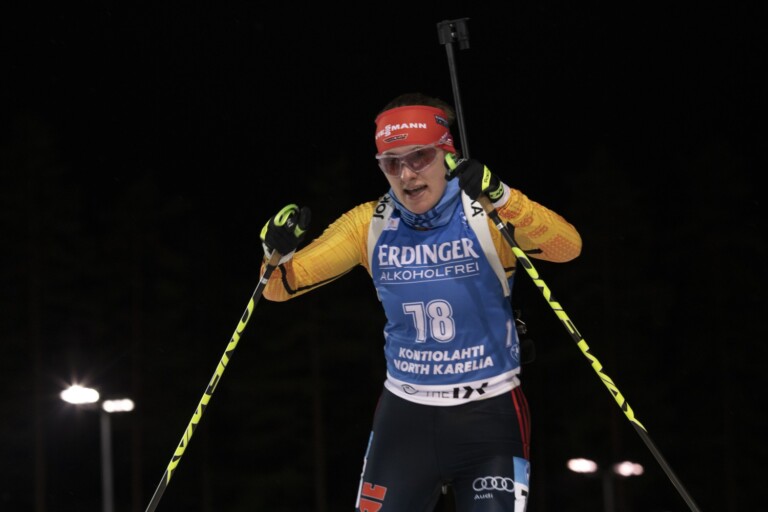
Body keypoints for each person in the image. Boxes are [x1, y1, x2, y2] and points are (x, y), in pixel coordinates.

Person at [259, 92, 582, 511]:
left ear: (448, 154)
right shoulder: (368, 224)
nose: (407, 175)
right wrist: (275, 251)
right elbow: (279, 287)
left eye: (420, 157)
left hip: (490, 415)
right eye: (391, 163)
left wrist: (503, 198)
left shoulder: (484, 213)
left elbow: (567, 247)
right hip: (404, 417)